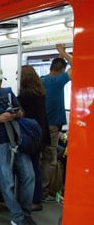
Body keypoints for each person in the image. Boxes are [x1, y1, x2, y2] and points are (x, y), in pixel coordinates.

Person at [0, 64, 36, 225]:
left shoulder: (8, 93)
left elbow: (21, 111)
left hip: (16, 139)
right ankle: (17, 218)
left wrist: (18, 113)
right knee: (7, 182)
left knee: (29, 176)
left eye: (0, 81)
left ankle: (25, 213)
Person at [40, 44, 72, 201]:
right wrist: (63, 53)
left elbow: (60, 68)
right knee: (50, 159)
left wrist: (59, 57)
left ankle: (37, 189)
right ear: (61, 71)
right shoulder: (59, 81)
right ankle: (43, 191)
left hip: (40, 126)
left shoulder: (42, 80)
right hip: (53, 127)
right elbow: (78, 66)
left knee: (40, 158)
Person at [18, 65, 51, 212]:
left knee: (29, 171)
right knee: (36, 168)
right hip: (41, 136)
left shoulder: (25, 96)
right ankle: (35, 199)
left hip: (30, 137)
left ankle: (33, 200)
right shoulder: (40, 93)